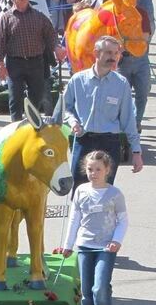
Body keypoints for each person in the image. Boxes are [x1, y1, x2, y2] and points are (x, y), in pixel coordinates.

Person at [58, 35, 143, 193]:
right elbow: (64, 108)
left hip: (109, 143)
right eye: (109, 53)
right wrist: (73, 121)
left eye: (116, 53)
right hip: (84, 141)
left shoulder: (121, 84)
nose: (113, 57)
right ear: (96, 53)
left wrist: (136, 151)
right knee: (78, 191)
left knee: (104, 194)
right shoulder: (77, 80)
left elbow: (128, 120)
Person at [62, 150, 128, 305]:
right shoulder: (81, 191)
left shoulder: (114, 194)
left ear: (107, 170)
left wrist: (116, 240)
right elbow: (74, 219)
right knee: (86, 291)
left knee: (100, 287)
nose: (94, 173)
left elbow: (123, 221)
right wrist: (68, 245)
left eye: (98, 169)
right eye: (90, 169)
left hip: (105, 248)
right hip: (84, 246)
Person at [0, 0, 65, 122]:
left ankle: (31, 123)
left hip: (36, 63)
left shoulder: (39, 16)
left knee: (37, 96)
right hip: (15, 63)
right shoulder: (6, 18)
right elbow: (0, 42)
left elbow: (50, 34)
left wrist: (56, 47)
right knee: (15, 98)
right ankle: (15, 128)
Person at [115, 0, 152, 133]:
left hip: (140, 59)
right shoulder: (114, 14)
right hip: (122, 61)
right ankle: (124, 125)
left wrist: (128, 42)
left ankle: (136, 123)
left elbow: (145, 37)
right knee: (122, 96)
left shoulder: (141, 13)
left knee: (142, 94)